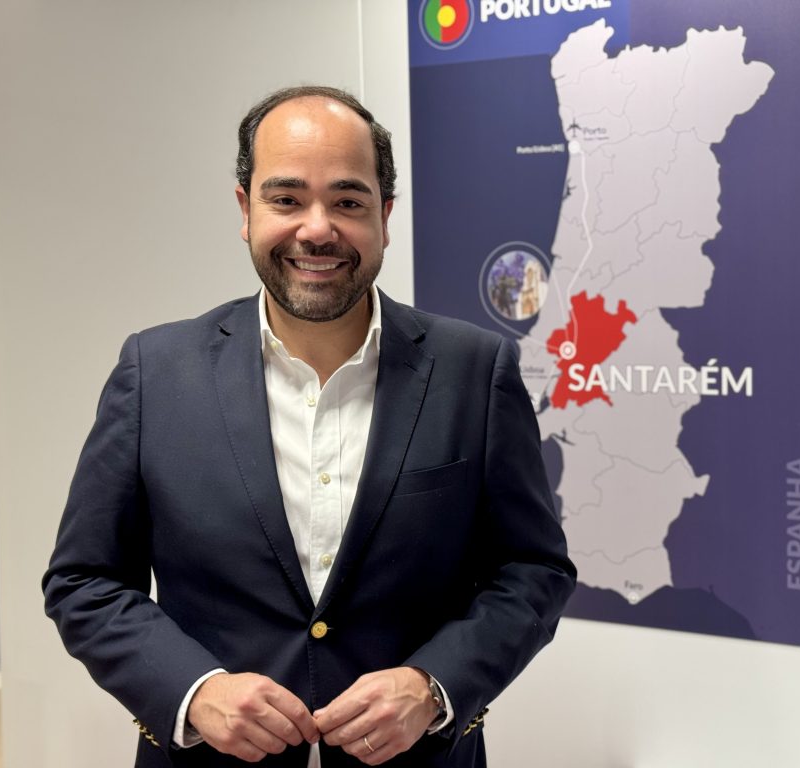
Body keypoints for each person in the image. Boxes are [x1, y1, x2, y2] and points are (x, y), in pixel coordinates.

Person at [42, 85, 576, 768]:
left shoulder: (476, 369)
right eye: (287, 199)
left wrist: (432, 685)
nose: (317, 229)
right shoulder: (155, 372)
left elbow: (533, 569)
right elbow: (84, 582)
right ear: (246, 210)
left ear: (385, 215)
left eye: (348, 202)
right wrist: (193, 692)